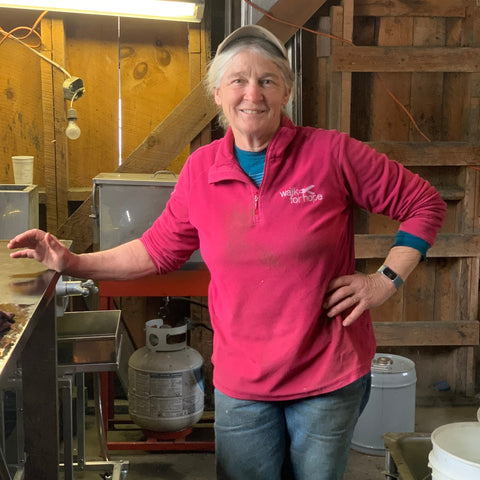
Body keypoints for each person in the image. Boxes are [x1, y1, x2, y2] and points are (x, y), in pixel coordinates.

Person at [8, 25, 445, 480]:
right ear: (217, 93)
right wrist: (74, 263)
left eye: (267, 80)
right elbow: (156, 250)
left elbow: (424, 204)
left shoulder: (331, 154)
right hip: (243, 382)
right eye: (238, 80)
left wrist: (384, 281)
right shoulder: (201, 169)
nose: (251, 93)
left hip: (327, 378)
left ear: (286, 91)